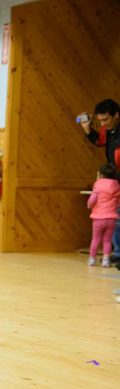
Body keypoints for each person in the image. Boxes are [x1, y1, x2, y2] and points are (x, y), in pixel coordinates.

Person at [79, 99, 120, 264]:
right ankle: (117, 253)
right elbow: (99, 141)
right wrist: (88, 130)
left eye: (106, 120)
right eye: (101, 120)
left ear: (117, 115)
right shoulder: (108, 131)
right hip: (115, 180)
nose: (103, 124)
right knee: (116, 219)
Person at [86, 164, 120, 267]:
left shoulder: (98, 186)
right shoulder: (116, 186)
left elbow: (93, 199)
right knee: (107, 240)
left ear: (101, 175)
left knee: (96, 239)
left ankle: (92, 259)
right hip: (111, 218)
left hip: (98, 218)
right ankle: (106, 260)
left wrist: (89, 205)